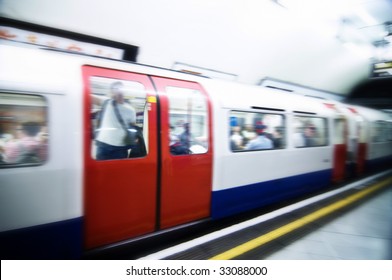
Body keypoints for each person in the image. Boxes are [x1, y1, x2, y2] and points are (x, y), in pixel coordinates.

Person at [92, 81, 137, 160]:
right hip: (103, 146)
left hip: (120, 148)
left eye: (120, 89)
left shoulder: (131, 110)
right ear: (112, 91)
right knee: (101, 171)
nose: (118, 91)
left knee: (118, 171)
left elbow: (132, 127)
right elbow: (87, 96)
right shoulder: (106, 102)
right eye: (115, 89)